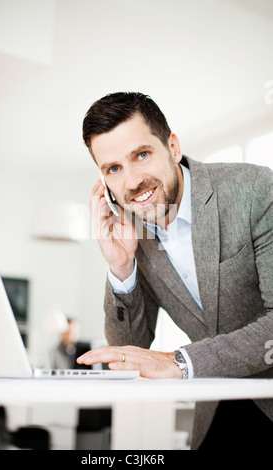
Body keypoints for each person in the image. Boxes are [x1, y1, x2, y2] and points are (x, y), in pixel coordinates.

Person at [77, 92, 273, 450]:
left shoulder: (256, 190)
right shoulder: (135, 235)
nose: (132, 181)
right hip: (217, 408)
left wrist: (179, 363)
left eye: (142, 155)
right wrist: (121, 268)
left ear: (173, 146)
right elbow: (129, 351)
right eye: (114, 169)